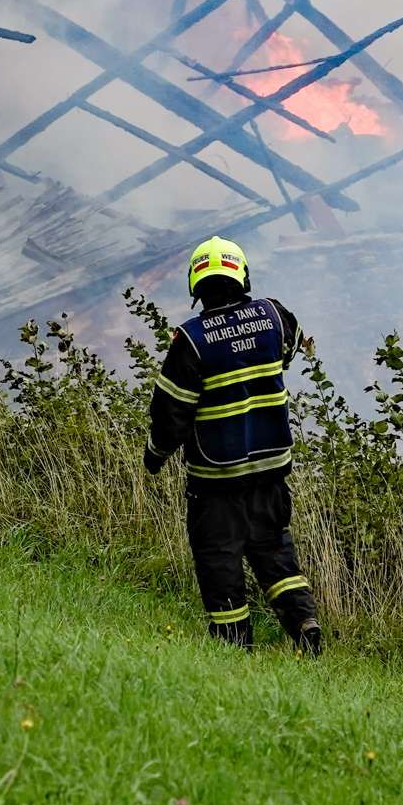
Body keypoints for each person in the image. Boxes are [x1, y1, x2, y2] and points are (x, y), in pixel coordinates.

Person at [143, 236, 323, 653]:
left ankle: (233, 644)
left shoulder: (190, 340)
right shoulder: (275, 315)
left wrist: (155, 455)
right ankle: (304, 621)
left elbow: (171, 412)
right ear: (242, 275)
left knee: (218, 558)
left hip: (216, 478)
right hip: (271, 469)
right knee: (273, 548)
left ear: (196, 285)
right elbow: (288, 351)